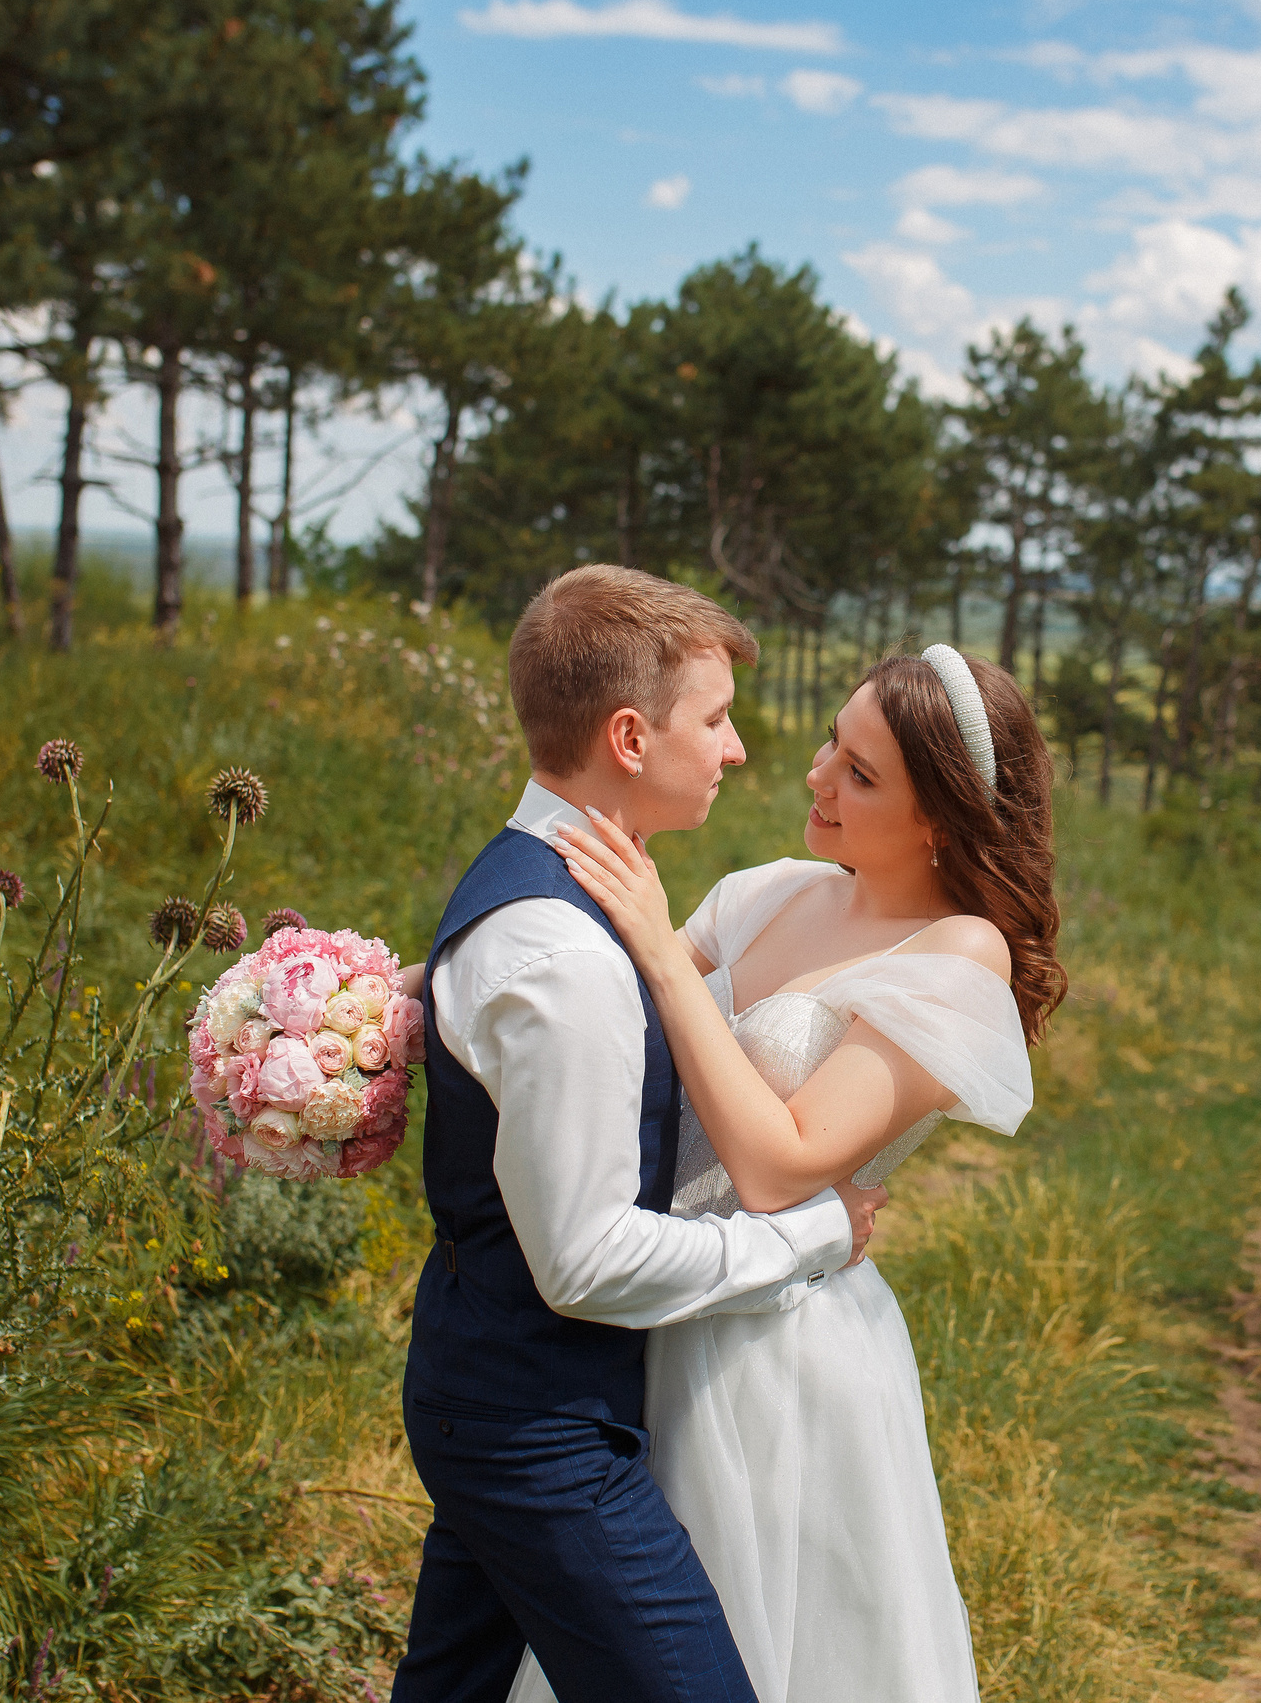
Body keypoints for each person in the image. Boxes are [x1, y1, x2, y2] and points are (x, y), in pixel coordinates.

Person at [523, 642, 1065, 1702]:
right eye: (834, 741)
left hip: (774, 1352)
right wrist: (383, 1001)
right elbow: (590, 1005)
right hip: (648, 1289)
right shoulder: (772, 892)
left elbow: (778, 1168)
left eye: (861, 774)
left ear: (939, 821)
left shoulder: (955, 957)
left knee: (751, 1642)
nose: (816, 774)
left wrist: (653, 942)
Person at [394, 565, 886, 1703]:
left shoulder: (554, 884)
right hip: (536, 1436)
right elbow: (586, 1261)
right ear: (628, 735)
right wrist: (806, 1239)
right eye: (713, 720)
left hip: (494, 1388)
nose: (737, 750)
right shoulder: (564, 954)